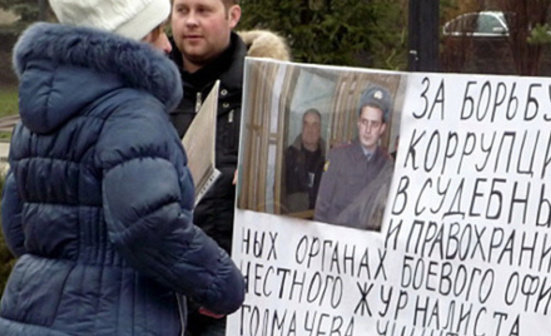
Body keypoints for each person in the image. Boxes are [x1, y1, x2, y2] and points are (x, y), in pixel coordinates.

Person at [0, 0, 244, 335]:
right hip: (116, 317)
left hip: (29, 310)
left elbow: (16, 223)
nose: (167, 44)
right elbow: (149, 224)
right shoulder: (132, 111)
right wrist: (222, 285)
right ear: (135, 37)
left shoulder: (36, 118)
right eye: (157, 30)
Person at [168, 0, 290, 334]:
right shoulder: (148, 89)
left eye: (203, 11)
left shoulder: (271, 91)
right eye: (182, 11)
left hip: (239, 306)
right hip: (156, 301)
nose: (191, 22)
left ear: (232, 16)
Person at [314, 85, 394, 230]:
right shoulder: (338, 156)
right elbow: (321, 209)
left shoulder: (386, 164)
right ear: (358, 123)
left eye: (374, 124)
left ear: (382, 128)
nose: (368, 130)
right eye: (364, 122)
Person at [284, 108, 326, 214]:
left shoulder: (329, 157)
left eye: (314, 125)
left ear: (320, 129)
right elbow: (278, 190)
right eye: (306, 124)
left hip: (320, 223)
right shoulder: (288, 156)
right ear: (301, 128)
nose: (310, 129)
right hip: (294, 220)